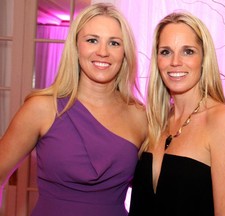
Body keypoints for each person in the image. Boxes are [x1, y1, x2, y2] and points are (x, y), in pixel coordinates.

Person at [0, 3, 147, 216]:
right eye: (92, 40)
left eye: (114, 43)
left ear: (125, 53)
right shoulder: (42, 108)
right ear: (76, 47)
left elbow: (153, 188)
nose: (103, 52)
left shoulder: (140, 116)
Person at [128, 11, 225, 216]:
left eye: (188, 51)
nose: (175, 62)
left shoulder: (222, 120)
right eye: (166, 52)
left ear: (203, 58)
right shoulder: (153, 121)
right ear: (157, 59)